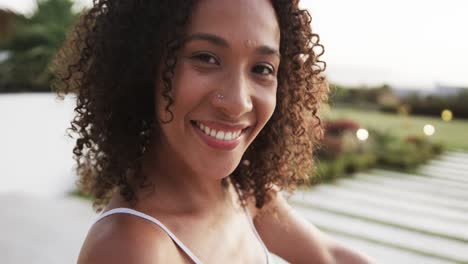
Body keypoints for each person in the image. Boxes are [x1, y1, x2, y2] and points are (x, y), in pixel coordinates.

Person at [53, 0, 375, 263]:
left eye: (262, 68)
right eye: (205, 58)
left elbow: (330, 256)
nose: (237, 102)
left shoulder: (243, 193)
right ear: (145, 67)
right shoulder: (130, 248)